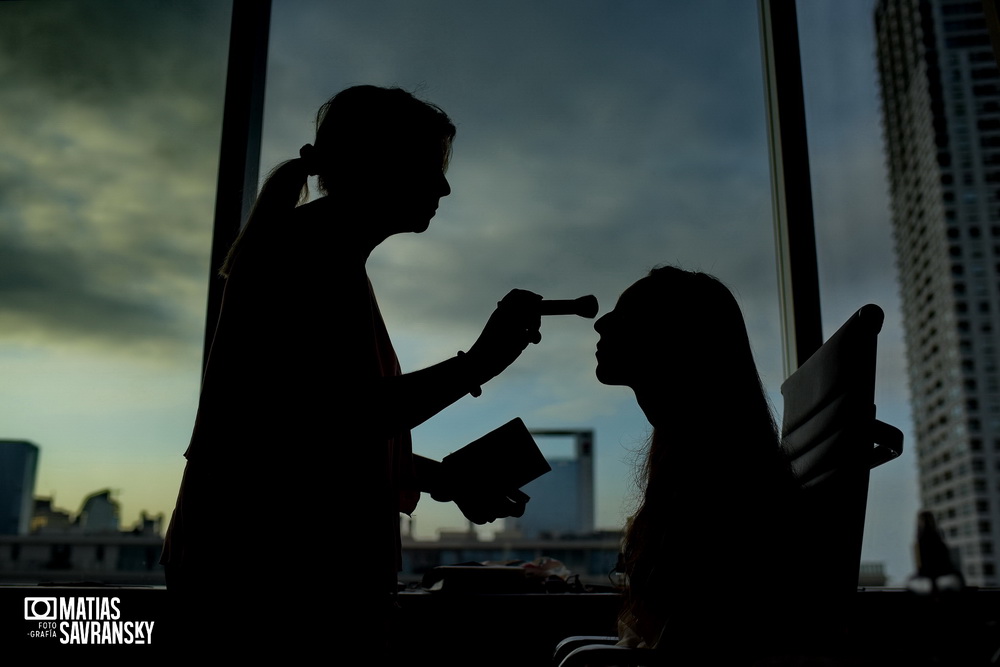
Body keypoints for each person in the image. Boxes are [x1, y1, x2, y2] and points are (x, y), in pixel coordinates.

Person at [161, 85, 542, 647]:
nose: (444, 185)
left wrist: (442, 477)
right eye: (429, 166)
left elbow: (300, 430)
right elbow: (344, 417)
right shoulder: (308, 259)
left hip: (262, 574)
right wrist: (480, 363)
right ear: (378, 166)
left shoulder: (312, 252)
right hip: (276, 586)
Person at [594, 266, 797, 661]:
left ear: (674, 341)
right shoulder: (717, 469)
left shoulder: (719, 494)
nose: (601, 322)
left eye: (627, 312)